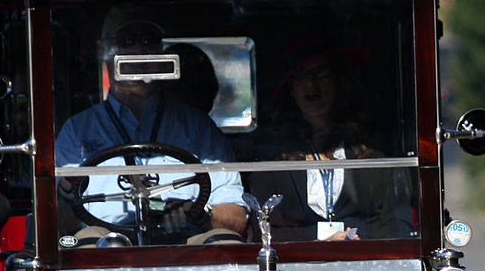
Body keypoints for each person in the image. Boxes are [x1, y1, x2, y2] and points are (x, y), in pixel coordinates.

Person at [54, 19, 247, 241]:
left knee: (223, 240)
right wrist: (66, 196)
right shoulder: (77, 130)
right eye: (126, 41)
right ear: (102, 51)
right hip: (107, 245)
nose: (138, 50)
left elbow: (237, 216)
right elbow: (59, 223)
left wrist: (199, 212)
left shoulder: (198, 126)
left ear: (160, 51)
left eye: (148, 41)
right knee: (87, 241)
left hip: (188, 245)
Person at [256, 36, 414, 242]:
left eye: (320, 72)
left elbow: (397, 226)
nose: (310, 83)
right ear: (292, 91)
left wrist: (351, 239)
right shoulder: (273, 166)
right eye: (301, 75)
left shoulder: (376, 161)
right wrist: (321, 242)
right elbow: (265, 231)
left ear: (340, 82)